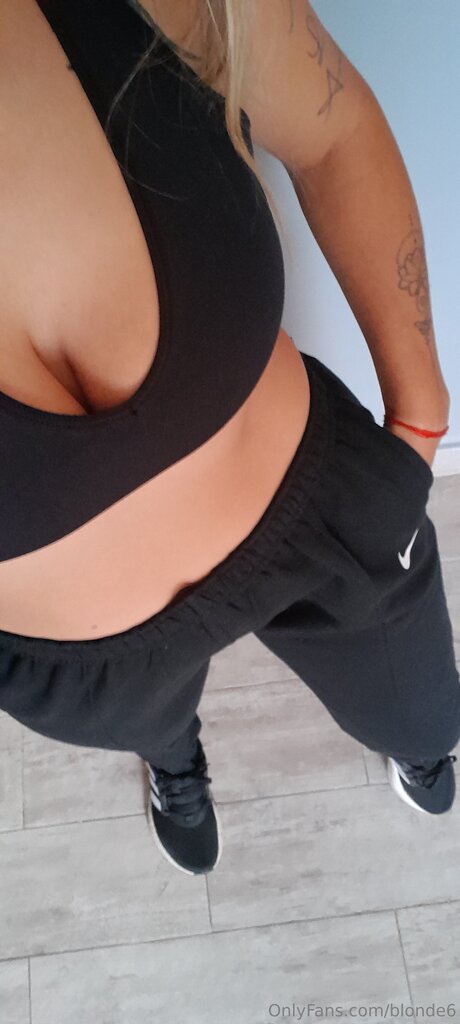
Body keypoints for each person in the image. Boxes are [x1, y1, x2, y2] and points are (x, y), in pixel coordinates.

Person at [0, 0, 458, 878]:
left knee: (421, 700)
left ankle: (421, 741)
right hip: (81, 665)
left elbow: (334, 135)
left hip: (320, 508)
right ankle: (176, 763)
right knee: (152, 724)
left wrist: (421, 414)